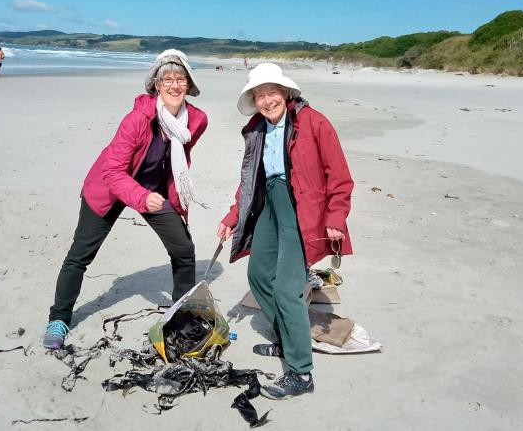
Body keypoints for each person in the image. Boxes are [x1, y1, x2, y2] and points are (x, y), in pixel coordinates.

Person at [43, 49, 208, 349]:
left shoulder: (196, 120)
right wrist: (142, 198)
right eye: (167, 79)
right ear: (156, 85)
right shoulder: (136, 119)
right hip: (109, 188)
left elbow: (179, 157)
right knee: (80, 255)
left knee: (183, 249)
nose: (174, 85)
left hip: (153, 190)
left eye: (180, 79)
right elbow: (113, 171)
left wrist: (165, 194)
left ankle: (179, 315)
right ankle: (59, 318)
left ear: (189, 84)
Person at [218, 62, 354, 400]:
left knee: (287, 289)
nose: (267, 100)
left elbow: (339, 175)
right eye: (260, 95)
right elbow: (250, 180)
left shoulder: (314, 122)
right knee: (259, 275)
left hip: (302, 208)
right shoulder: (258, 129)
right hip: (270, 204)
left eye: (272, 92)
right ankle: (287, 340)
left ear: (286, 93)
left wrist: (336, 217)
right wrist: (234, 215)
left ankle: (301, 373)